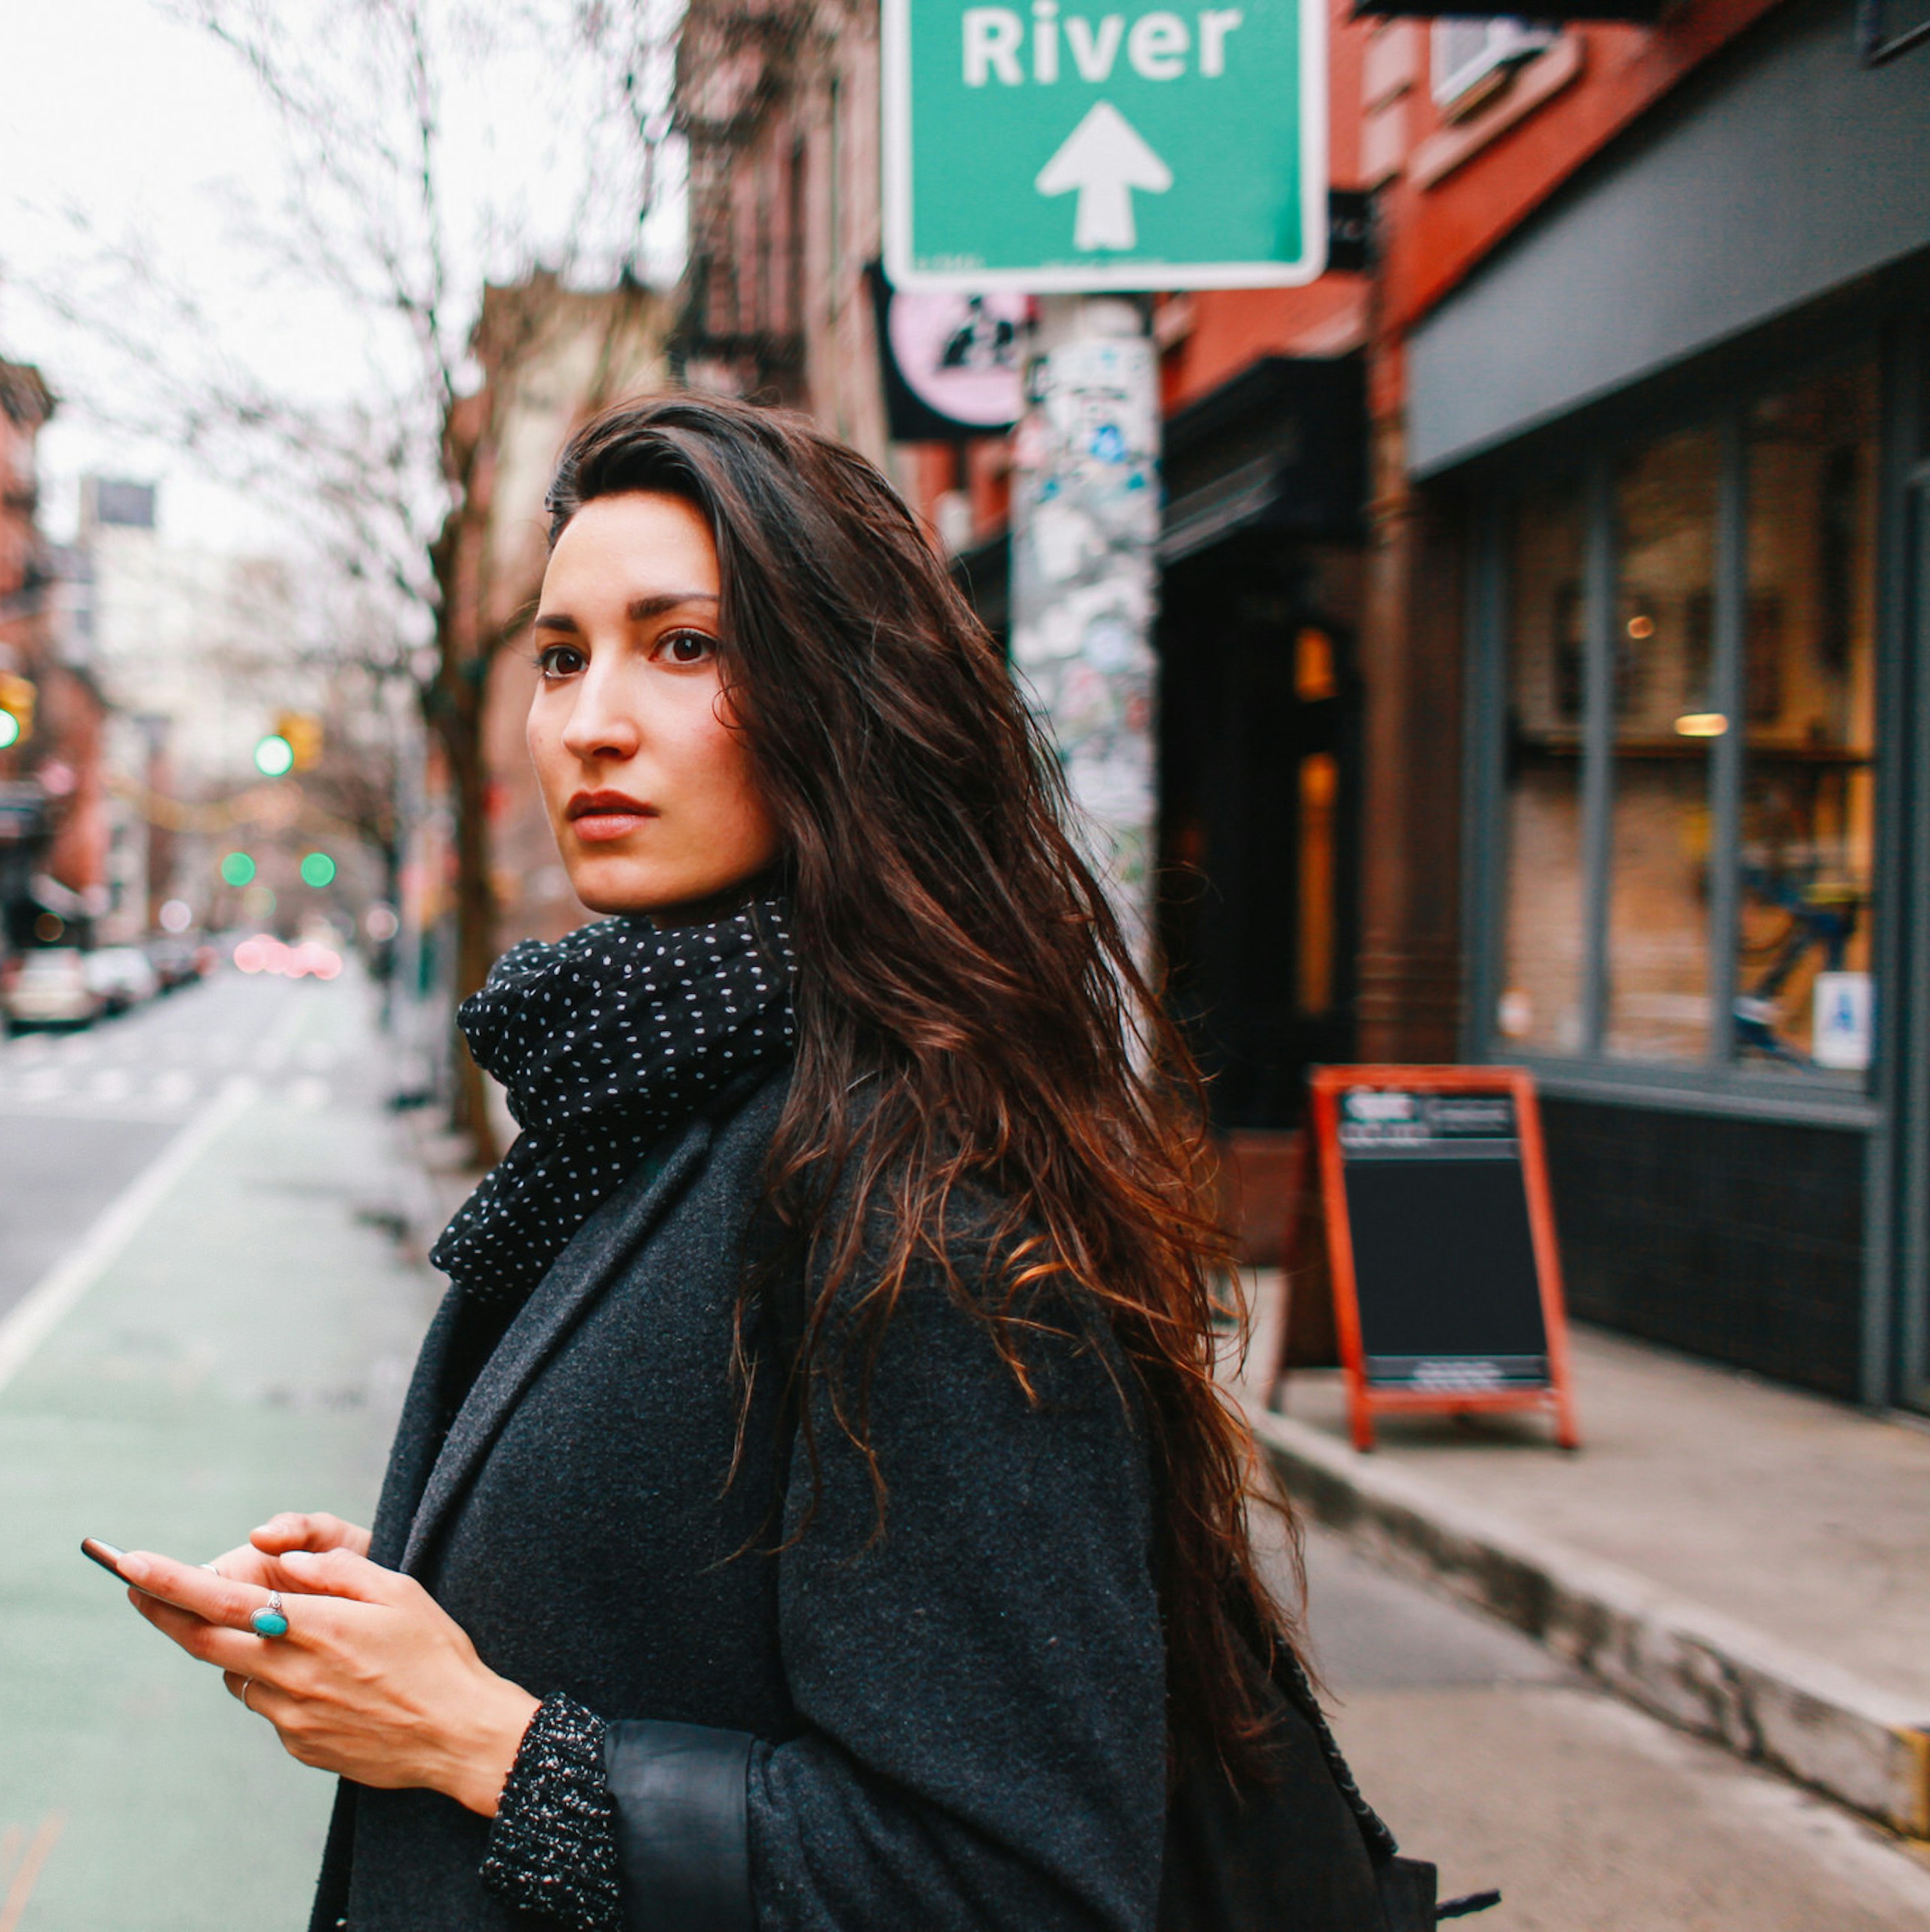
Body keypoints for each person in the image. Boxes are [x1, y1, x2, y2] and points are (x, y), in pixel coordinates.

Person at [103, 395, 1369, 1930]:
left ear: (846, 695)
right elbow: (730, 1594)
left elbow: (1010, 1885)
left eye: (682, 645)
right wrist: (439, 1585)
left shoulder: (915, 1198)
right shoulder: (654, 1101)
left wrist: (479, 1739)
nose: (590, 720)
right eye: (561, 655)